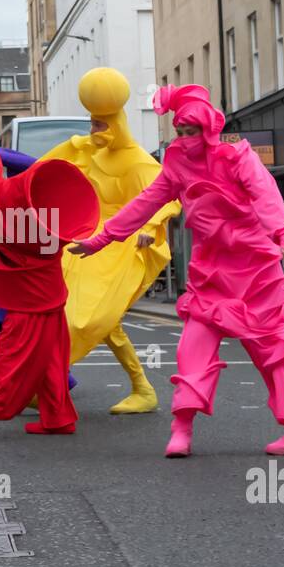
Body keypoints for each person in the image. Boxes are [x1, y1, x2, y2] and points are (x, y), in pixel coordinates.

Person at [70, 84, 284, 458]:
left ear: (209, 129)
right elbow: (145, 202)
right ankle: (181, 428)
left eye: (192, 132)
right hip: (210, 270)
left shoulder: (238, 157)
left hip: (255, 267)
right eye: (180, 132)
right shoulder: (177, 165)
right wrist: (102, 238)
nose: (186, 139)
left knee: (271, 351)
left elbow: (266, 196)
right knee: (193, 348)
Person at [36, 68, 180, 414]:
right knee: (92, 316)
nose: (93, 131)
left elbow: (168, 197)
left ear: (116, 123)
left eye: (100, 125)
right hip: (84, 243)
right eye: (91, 123)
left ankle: (47, 382)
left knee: (85, 318)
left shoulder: (137, 161)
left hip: (123, 245)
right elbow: (44, 169)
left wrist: (152, 225)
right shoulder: (85, 150)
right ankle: (140, 389)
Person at [0, 126, 93, 438]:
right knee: (52, 359)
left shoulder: (6, 193)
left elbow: (35, 175)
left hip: (31, 295)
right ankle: (58, 418)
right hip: (45, 289)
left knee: (11, 354)